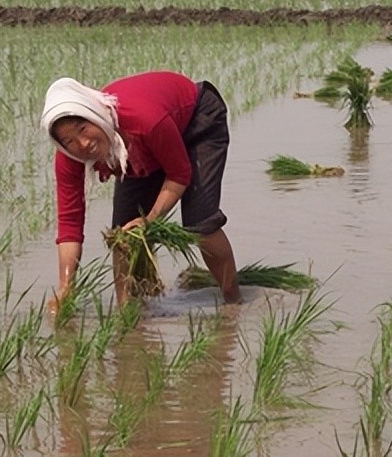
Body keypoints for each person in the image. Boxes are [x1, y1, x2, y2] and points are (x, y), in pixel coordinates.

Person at [41, 71, 242, 309]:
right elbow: (70, 224)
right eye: (70, 141)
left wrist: (149, 220)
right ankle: (129, 315)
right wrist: (66, 287)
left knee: (200, 222)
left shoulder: (144, 120)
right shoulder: (69, 158)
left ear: (95, 116)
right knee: (124, 235)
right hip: (141, 144)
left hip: (196, 121)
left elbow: (179, 174)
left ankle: (233, 301)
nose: (82, 144)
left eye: (83, 128)